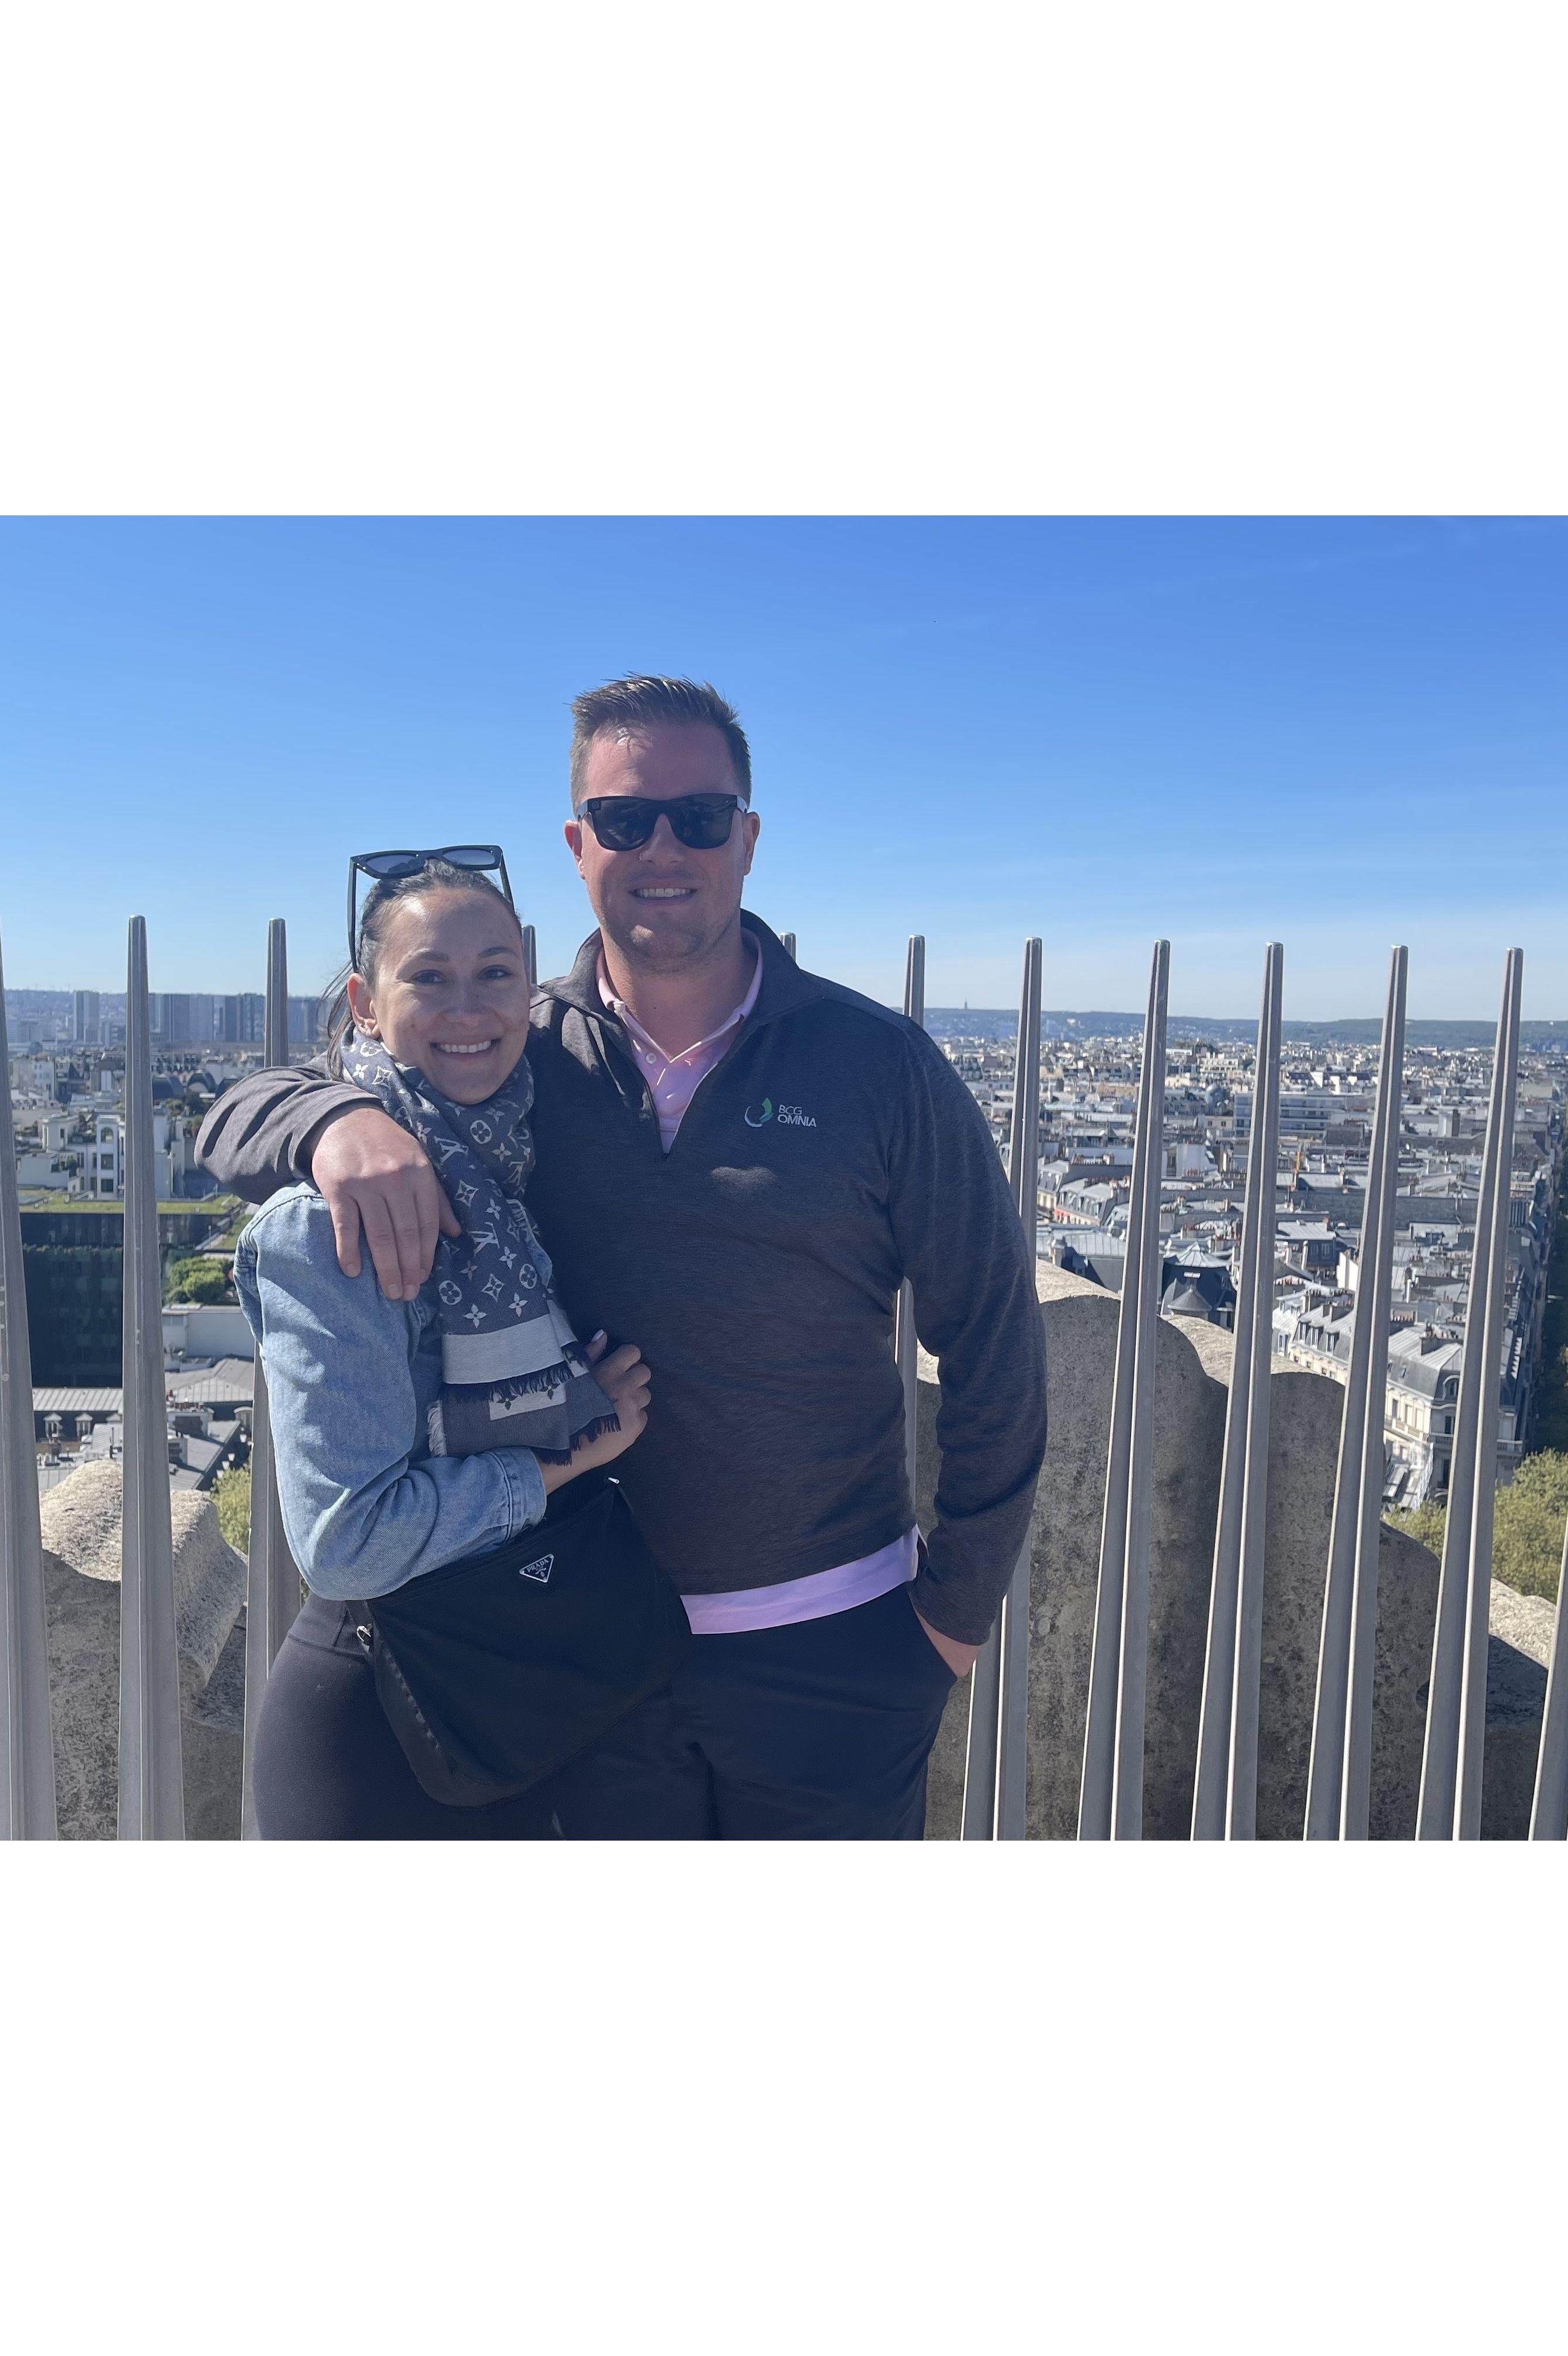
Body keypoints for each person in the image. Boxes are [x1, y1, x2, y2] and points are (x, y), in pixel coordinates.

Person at [204, 676, 1046, 1838]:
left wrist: (949, 1619)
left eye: (699, 817)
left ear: (747, 840)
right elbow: (246, 1112)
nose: (664, 847)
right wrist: (333, 1125)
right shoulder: (505, 1051)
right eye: (624, 818)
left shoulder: (878, 1067)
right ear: (576, 843)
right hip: (584, 1650)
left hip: (839, 1652)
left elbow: (997, 1339)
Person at [235, 851, 654, 1837]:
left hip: (517, 1676)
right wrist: (565, 1454)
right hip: (387, 1712)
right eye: (429, 976)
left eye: (496, 973)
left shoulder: (511, 1158)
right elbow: (347, 1542)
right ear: (365, 1004)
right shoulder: (328, 1223)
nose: (469, 1008)